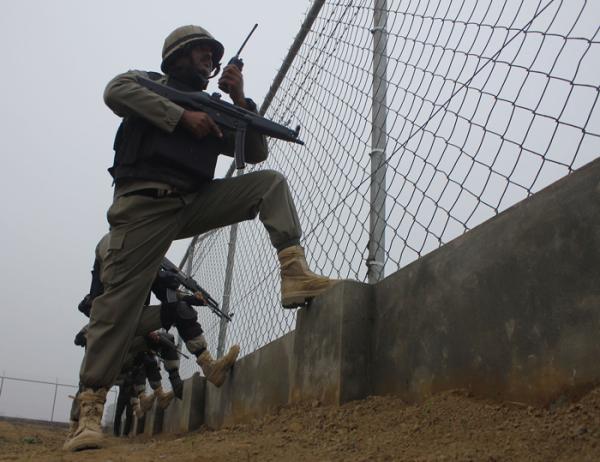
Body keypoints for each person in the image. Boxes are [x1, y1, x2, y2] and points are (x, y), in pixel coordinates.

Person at [65, 25, 336, 452]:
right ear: (176, 56)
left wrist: (238, 99)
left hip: (192, 203)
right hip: (144, 208)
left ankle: (294, 273)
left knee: (269, 183)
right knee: (117, 309)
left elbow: (257, 152)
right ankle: (89, 412)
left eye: (213, 54)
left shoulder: (214, 106)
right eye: (201, 52)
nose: (209, 59)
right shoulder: (151, 84)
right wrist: (180, 118)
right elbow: (114, 90)